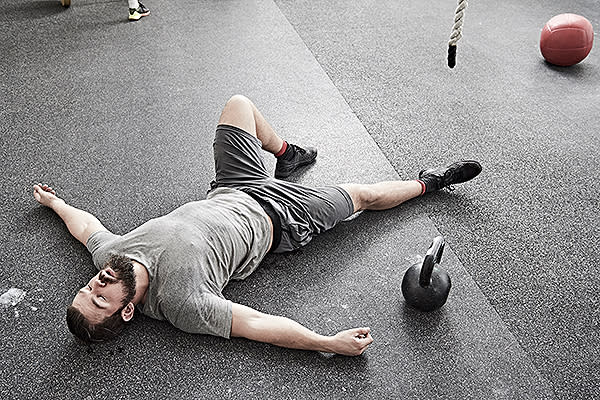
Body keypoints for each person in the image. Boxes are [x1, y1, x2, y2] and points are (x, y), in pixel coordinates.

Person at [32, 95, 481, 356]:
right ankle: (432, 182)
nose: (96, 283)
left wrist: (55, 203)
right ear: (126, 311)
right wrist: (327, 342)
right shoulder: (182, 305)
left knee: (238, 104)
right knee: (361, 197)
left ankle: (286, 153)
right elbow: (257, 325)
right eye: (100, 297)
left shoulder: (110, 255)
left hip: (231, 187)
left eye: (88, 288)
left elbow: (83, 226)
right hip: (282, 218)